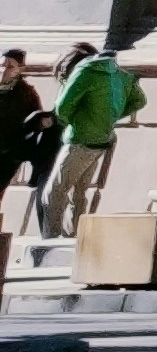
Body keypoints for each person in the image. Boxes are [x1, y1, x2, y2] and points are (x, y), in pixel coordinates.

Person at [42, 36, 136, 245]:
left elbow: (63, 108)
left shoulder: (83, 72)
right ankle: (73, 240)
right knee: (80, 193)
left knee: (54, 192)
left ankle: (50, 243)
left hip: (80, 140)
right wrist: (108, 117)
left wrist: (73, 119)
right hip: (102, 140)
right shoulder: (115, 73)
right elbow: (140, 100)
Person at [0, 52, 46, 257]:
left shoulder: (26, 94)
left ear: (20, 70)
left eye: (10, 66)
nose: (4, 70)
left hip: (8, 154)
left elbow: (35, 121)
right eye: (2, 65)